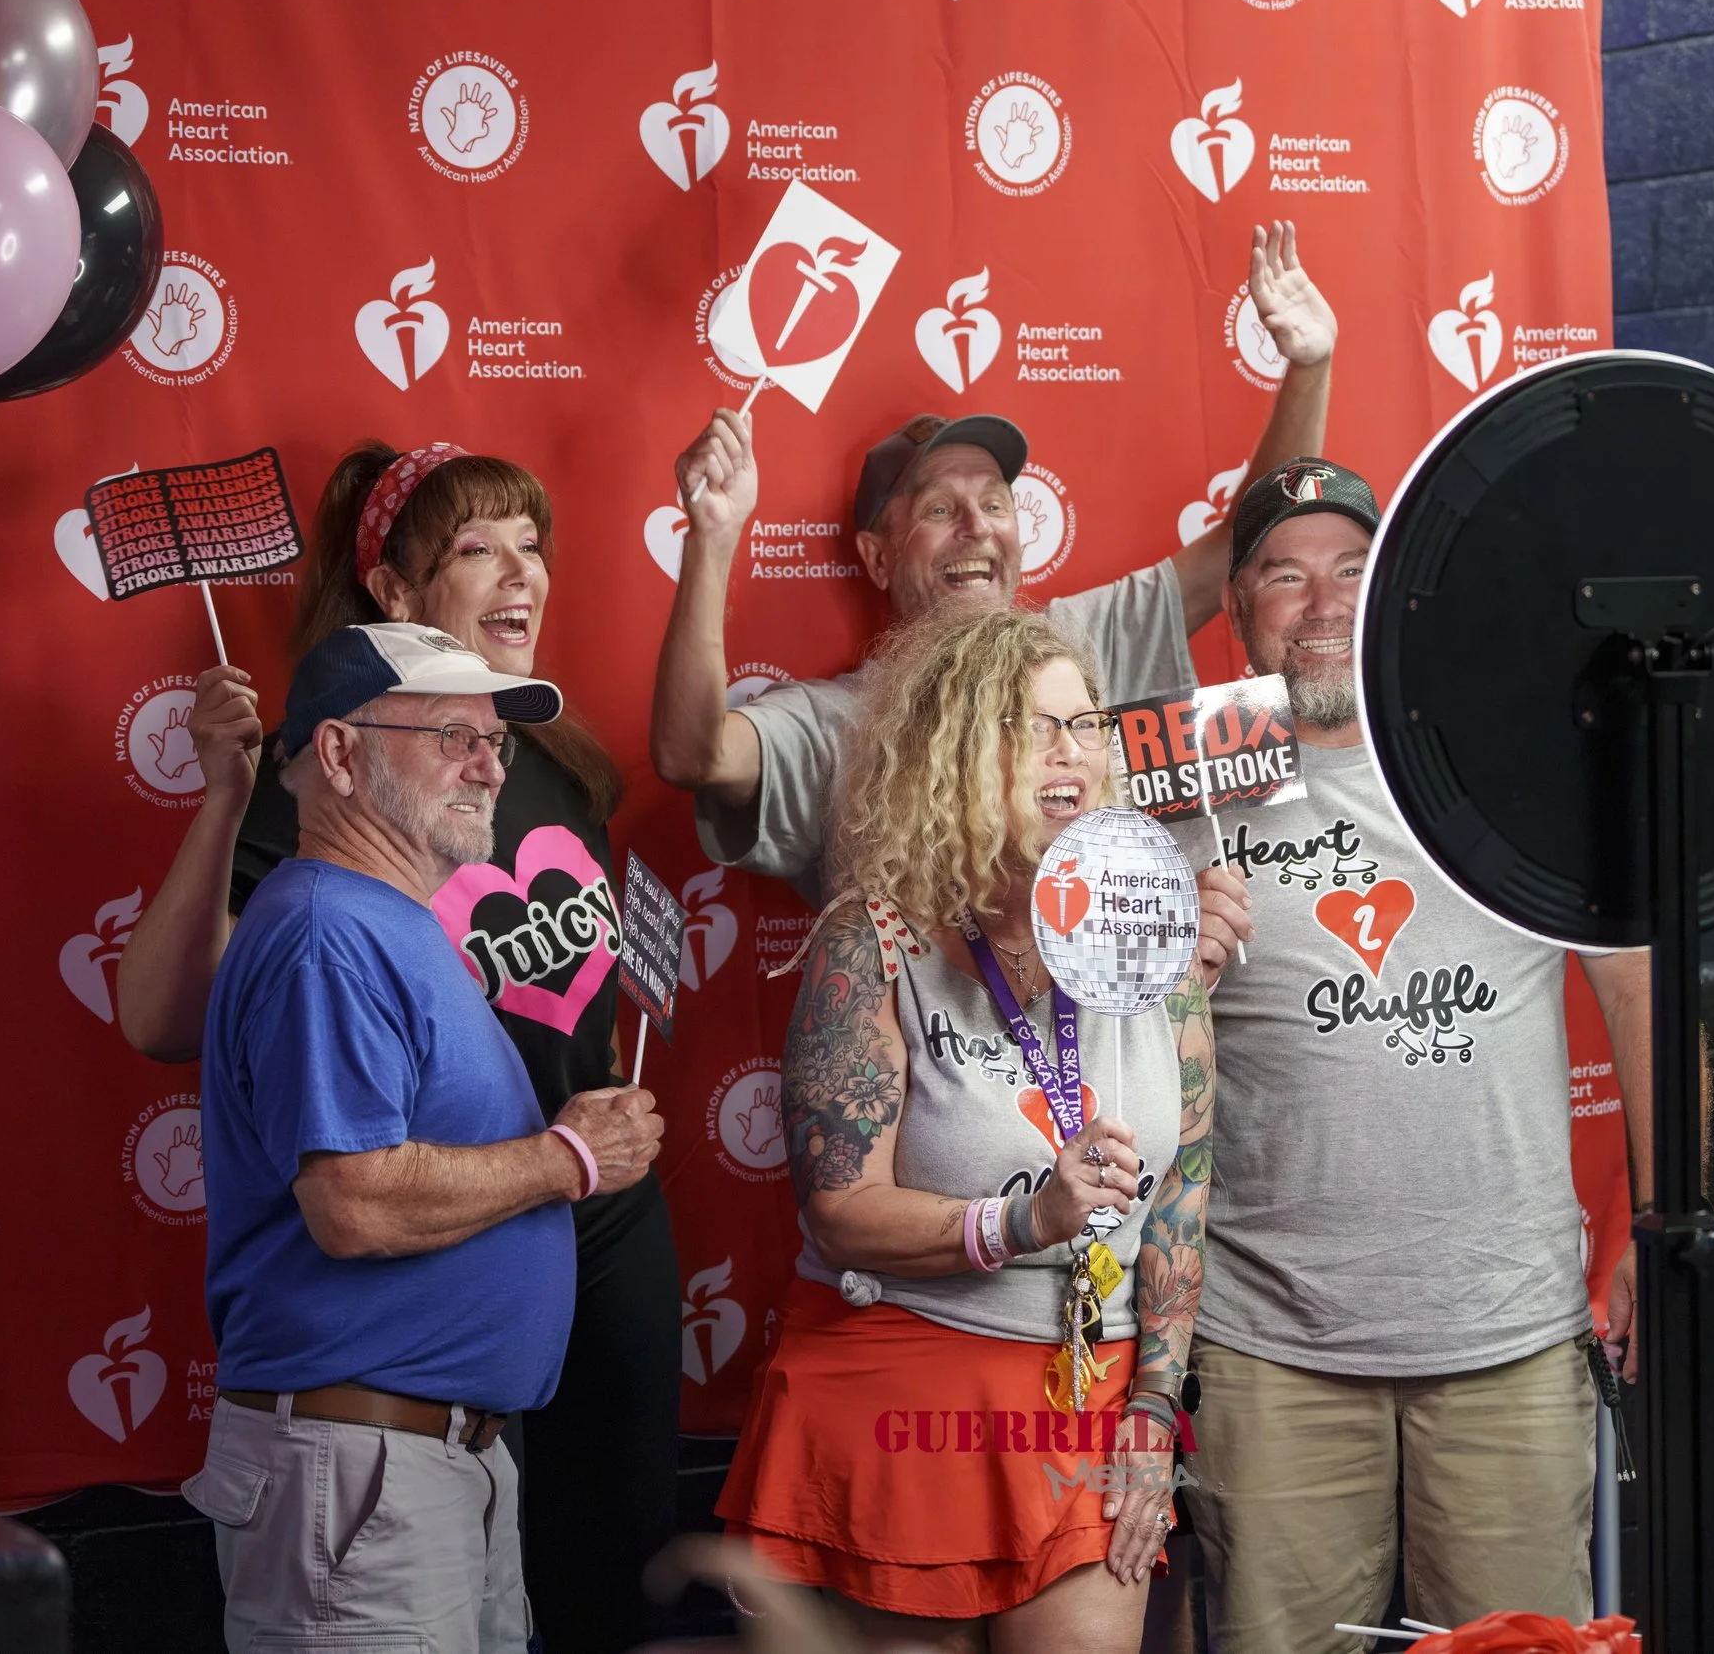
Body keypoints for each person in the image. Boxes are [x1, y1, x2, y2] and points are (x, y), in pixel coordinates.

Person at [115, 444, 676, 1649]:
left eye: (494, 742)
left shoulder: (471, 839)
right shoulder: (327, 905)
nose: (486, 761)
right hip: (373, 1433)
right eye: (477, 545)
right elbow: (347, 1195)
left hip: (470, 1406)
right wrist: (563, 1159)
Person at [1172, 459, 1658, 1650]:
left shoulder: (1512, 766)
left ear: (1396, 593)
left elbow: (1639, 982)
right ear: (1237, 608)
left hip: (1506, 1334)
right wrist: (1167, 954)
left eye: (1352, 568)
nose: (1322, 599)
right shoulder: (1181, 792)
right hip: (1265, 1343)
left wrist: (1656, 1220)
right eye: (1285, 575)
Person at [716, 609, 1218, 1654]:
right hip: (900, 1390)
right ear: (953, 750)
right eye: (1030, 727)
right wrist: (1027, 1217)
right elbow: (841, 1211)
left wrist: (1157, 1402)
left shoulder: (1149, 938)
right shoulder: (875, 936)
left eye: (1084, 725)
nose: (1068, 751)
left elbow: (1180, 1193)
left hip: (1092, 1395)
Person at [651, 222, 1338, 901]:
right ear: (878, 557)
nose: (977, 528)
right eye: (940, 510)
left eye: (996, 503)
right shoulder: (836, 722)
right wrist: (711, 538)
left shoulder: (1087, 639)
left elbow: (1244, 542)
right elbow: (693, 753)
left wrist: (1309, 367)